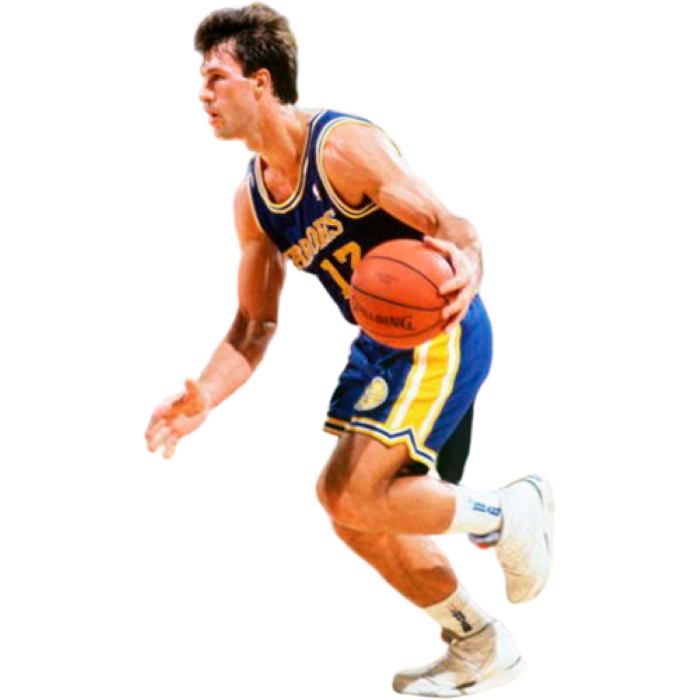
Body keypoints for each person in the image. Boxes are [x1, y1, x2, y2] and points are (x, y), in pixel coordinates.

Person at [144, 3, 555, 696]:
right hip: (382, 348)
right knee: (347, 509)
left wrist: (468, 265)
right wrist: (203, 399)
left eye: (216, 78)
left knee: (352, 491)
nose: (202, 94)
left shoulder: (343, 146)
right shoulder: (252, 201)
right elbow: (254, 325)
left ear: (262, 82)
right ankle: (478, 643)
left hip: (440, 326)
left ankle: (511, 515)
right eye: (199, 80)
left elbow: (449, 224)